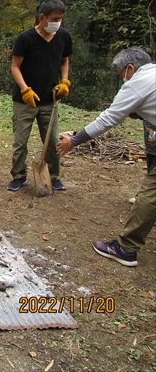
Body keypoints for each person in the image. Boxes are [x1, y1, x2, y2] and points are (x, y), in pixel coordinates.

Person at [57, 48, 156, 267]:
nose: (122, 80)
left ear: (130, 68)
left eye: (121, 74)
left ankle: (126, 249)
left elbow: (108, 119)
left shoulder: (137, 83)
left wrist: (73, 141)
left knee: (150, 195)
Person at [8, 0, 73, 192]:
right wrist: (25, 89)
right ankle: (18, 176)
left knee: (53, 141)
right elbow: (15, 67)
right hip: (25, 101)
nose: (58, 22)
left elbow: (64, 60)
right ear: (42, 17)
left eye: (60, 18)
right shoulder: (26, 38)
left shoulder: (63, 36)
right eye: (54, 18)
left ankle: (53, 176)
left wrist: (65, 81)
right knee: (20, 142)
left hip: (50, 100)